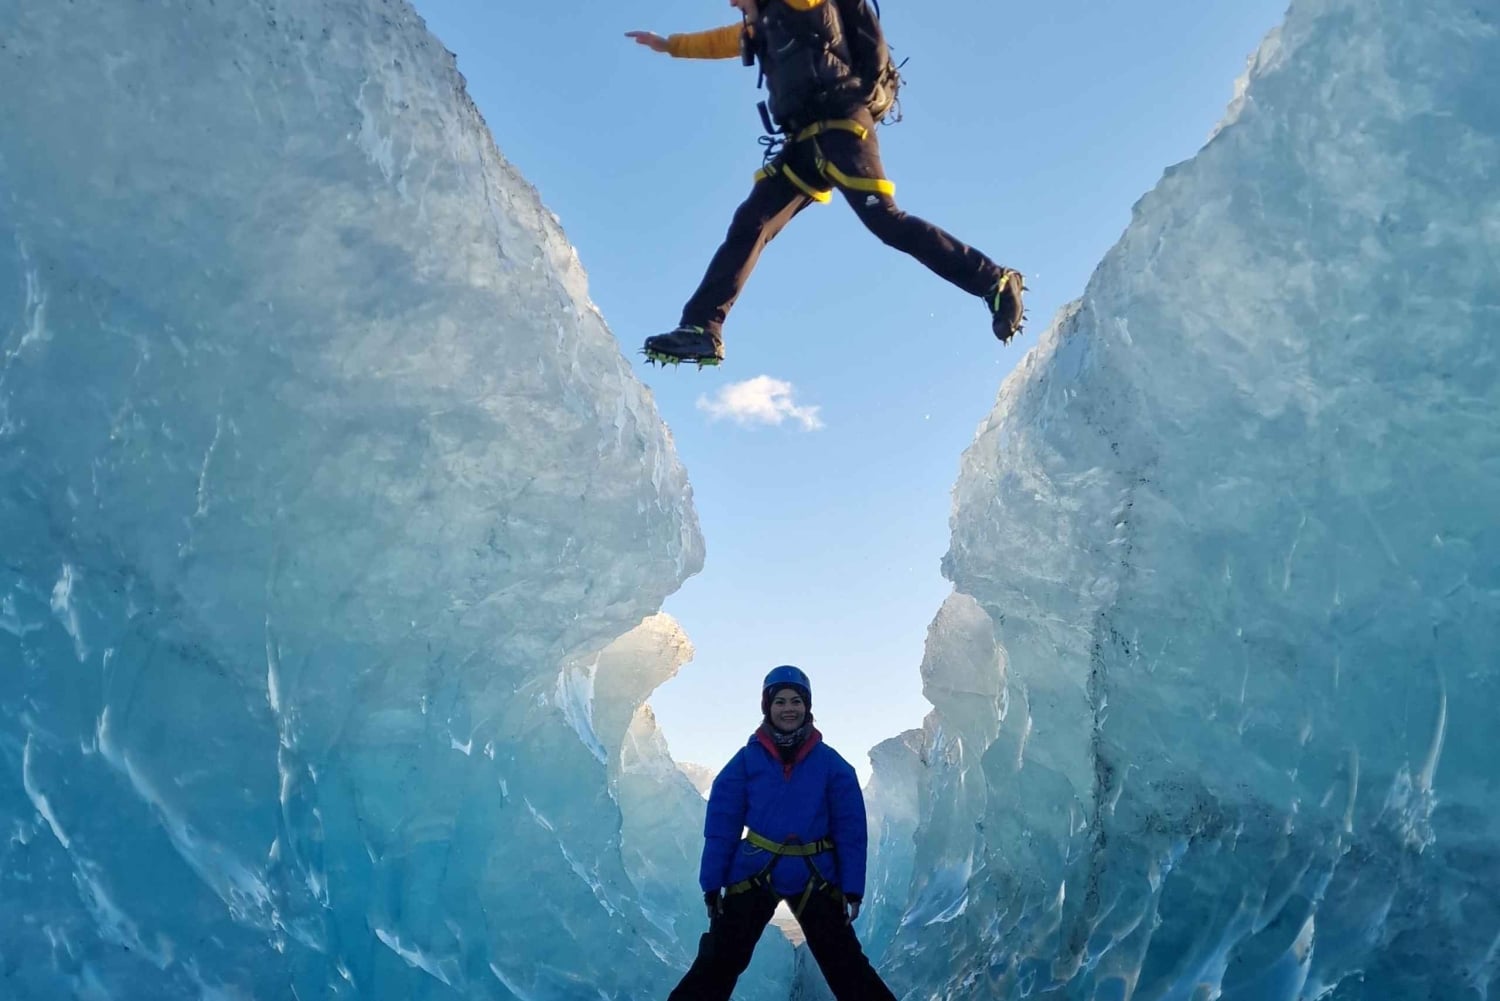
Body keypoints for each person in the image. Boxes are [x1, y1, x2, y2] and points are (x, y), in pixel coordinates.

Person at [627, 0, 1025, 367]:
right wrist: (668, 45)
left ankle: (994, 280)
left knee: (886, 222)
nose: (731, 2)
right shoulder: (760, 26)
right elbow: (717, 42)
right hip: (803, 142)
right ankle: (701, 329)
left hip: (843, 126)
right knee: (752, 221)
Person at [666, 665, 898, 1001]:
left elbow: (851, 832)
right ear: (767, 707)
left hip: (815, 878)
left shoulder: (832, 765)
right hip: (756, 874)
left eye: (795, 701)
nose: (788, 708)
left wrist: (852, 889)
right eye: (780, 702)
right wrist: (712, 884)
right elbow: (721, 827)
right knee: (718, 962)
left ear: (807, 707)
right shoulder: (746, 762)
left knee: (846, 967)